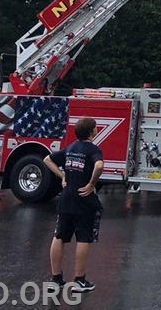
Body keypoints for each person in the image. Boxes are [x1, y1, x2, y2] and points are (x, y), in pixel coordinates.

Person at [44, 117, 104, 293]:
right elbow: (99, 166)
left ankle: (55, 279)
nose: (97, 129)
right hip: (84, 200)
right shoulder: (93, 150)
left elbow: (47, 159)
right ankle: (79, 280)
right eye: (95, 127)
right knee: (84, 238)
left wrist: (62, 176)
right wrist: (92, 184)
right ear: (92, 131)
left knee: (60, 236)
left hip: (66, 198)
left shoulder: (70, 148)